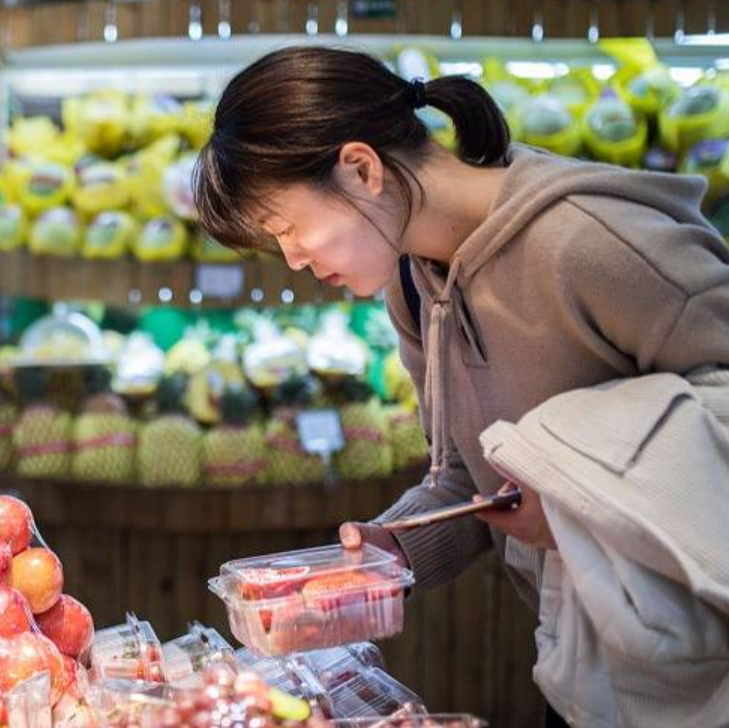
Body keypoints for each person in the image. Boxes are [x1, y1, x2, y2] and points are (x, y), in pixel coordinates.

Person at [192, 46, 729, 726]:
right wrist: (391, 553)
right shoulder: (414, 281)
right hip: (589, 660)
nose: (294, 258)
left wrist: (574, 506)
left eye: (289, 228)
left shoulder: (590, 244)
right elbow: (470, 475)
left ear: (361, 169)